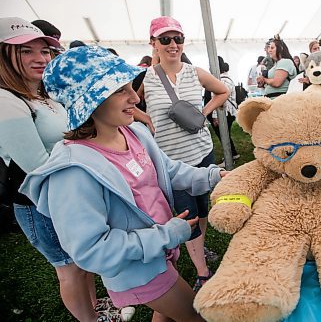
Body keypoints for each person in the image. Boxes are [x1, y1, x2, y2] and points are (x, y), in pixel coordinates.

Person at [21, 45, 227, 321]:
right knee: (198, 316)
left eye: (130, 86)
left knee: (164, 314)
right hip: (138, 272)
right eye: (120, 90)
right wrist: (167, 235)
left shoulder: (133, 133)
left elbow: (168, 170)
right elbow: (91, 250)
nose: (134, 97)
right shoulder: (72, 172)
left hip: (160, 254)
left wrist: (213, 176)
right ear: (90, 100)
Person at [0, 17, 116, 322]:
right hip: (40, 202)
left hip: (66, 195)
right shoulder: (5, 100)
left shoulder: (40, 94)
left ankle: (96, 307)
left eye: (45, 51)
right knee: (69, 268)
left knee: (83, 260)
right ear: (4, 55)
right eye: (26, 51)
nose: (40, 58)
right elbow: (37, 166)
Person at [143, 16, 229, 291]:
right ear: (153, 43)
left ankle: (199, 251)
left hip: (202, 152)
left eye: (177, 38)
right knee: (188, 214)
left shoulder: (196, 72)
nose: (172, 44)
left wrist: (202, 114)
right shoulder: (147, 77)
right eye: (165, 39)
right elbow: (128, 102)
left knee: (202, 208)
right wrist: (146, 119)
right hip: (171, 161)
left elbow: (222, 91)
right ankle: (203, 272)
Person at [207, 56, 239, 165]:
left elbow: (220, 99)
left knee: (224, 135)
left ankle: (230, 159)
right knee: (225, 135)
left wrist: (215, 116)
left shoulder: (223, 80)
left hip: (225, 113)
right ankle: (233, 155)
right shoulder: (224, 78)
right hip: (226, 112)